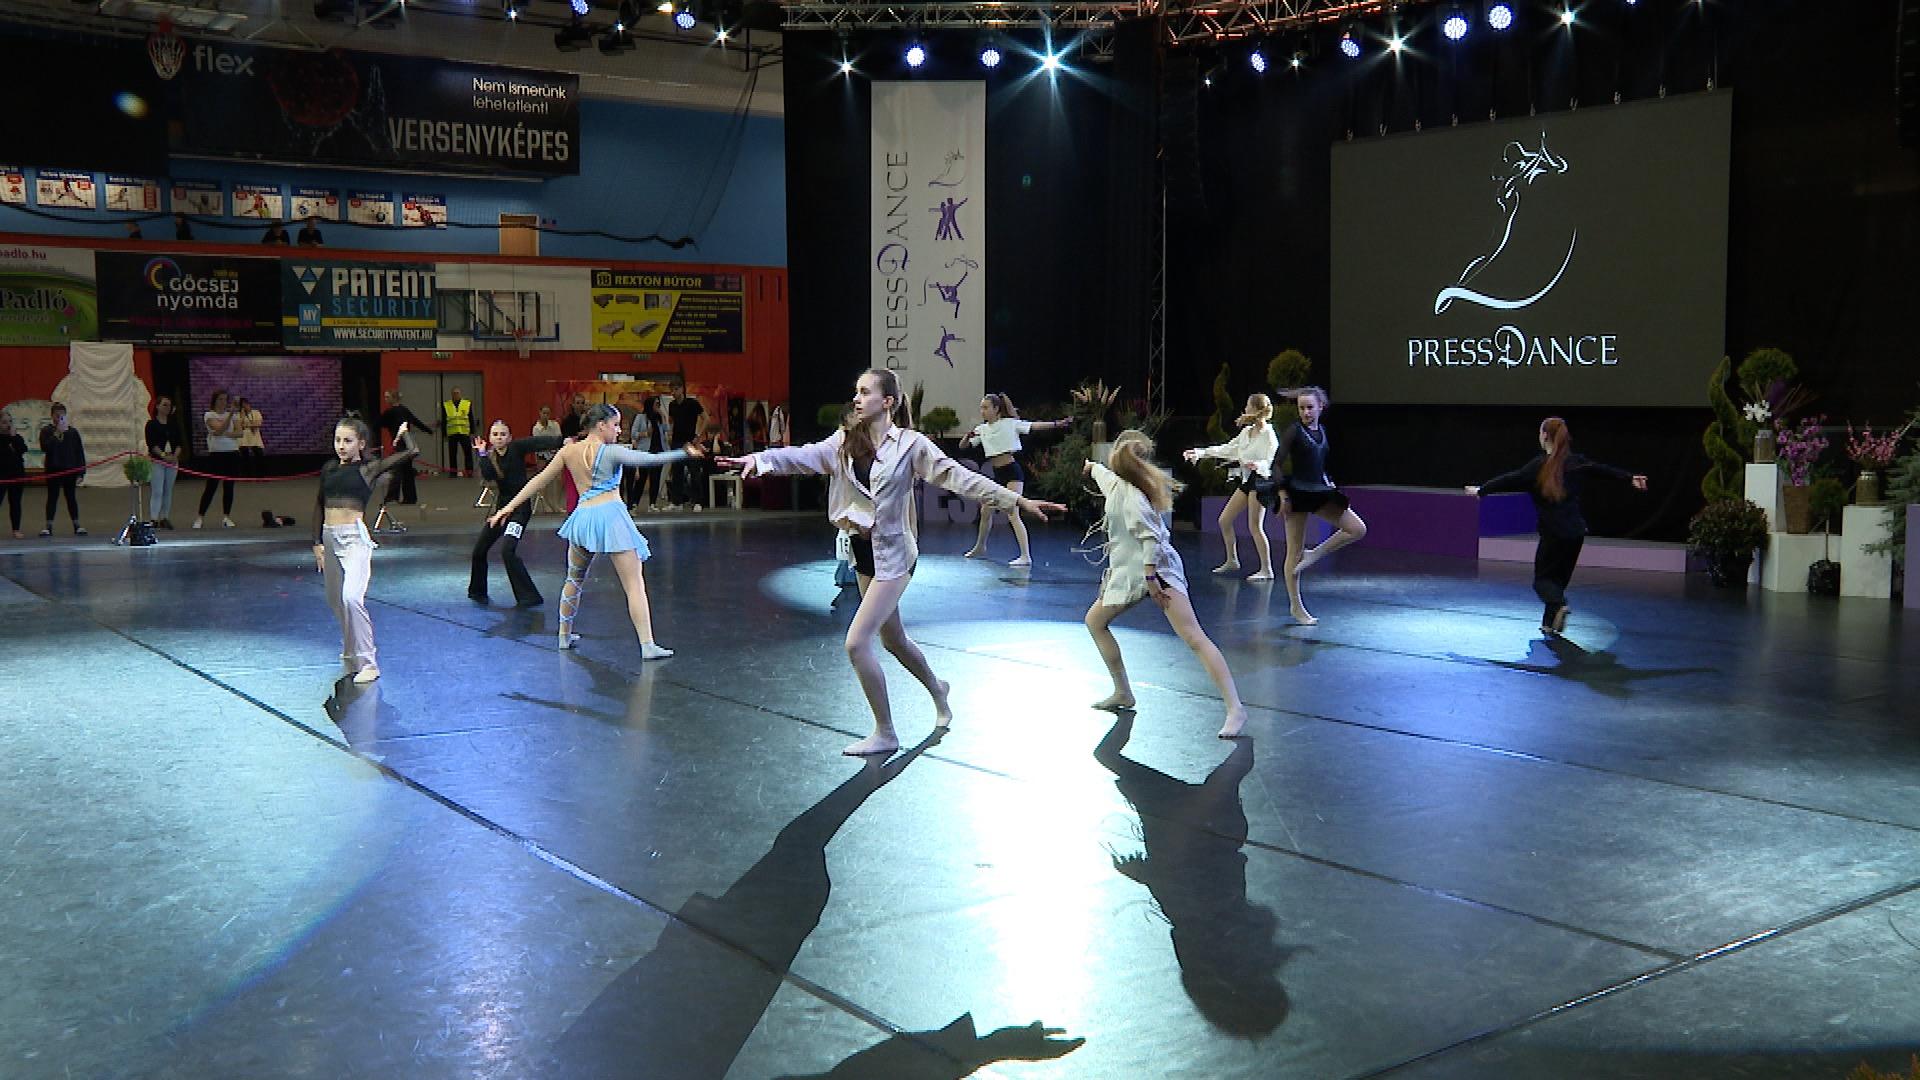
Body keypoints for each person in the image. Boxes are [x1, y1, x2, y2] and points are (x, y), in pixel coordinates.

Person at [721, 368, 1066, 756]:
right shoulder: (844, 442)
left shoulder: (910, 445)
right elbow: (803, 456)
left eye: (865, 392)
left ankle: (885, 732)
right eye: (856, 392)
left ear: (888, 401)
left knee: (856, 643)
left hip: (895, 555)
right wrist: (759, 459)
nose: (857, 398)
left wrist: (1017, 500)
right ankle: (938, 688)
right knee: (894, 640)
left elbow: (959, 478)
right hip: (863, 552)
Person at [488, 404, 701, 658]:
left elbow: (537, 481)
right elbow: (650, 459)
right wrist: (683, 452)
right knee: (634, 584)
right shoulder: (611, 452)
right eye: (615, 425)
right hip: (611, 518)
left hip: (583, 519)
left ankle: (564, 636)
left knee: (573, 579)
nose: (618, 430)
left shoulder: (569, 451)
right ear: (601, 425)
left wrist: (506, 509)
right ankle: (647, 645)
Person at [1084, 431, 1248, 738]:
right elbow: (1101, 474)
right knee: (1095, 621)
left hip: (1157, 573)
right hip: (1130, 574)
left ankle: (1235, 708)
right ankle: (1123, 692)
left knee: (1194, 637)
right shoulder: (1116, 484)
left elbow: (1152, 540)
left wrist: (1151, 579)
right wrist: (1091, 467)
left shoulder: (1134, 497)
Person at [1466, 417, 1649, 635]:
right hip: (1576, 532)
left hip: (1554, 533)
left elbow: (1510, 479)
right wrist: (1629, 477)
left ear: (1544, 436)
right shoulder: (1576, 462)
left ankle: (1559, 605)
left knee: (1542, 582)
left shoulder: (1538, 466)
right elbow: (1600, 470)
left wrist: (1482, 490)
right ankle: (1549, 623)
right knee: (1557, 581)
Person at [312, 418, 419, 684]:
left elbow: (412, 452)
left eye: (348, 441)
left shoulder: (368, 469)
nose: (341, 446)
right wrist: (317, 543)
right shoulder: (329, 469)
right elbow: (319, 504)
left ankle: (369, 662)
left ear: (361, 444)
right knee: (335, 600)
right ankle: (351, 653)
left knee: (352, 598)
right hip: (329, 537)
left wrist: (403, 433)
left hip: (353, 540)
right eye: (338, 440)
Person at [1271, 386, 1368, 626]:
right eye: (1301, 408)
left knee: (1357, 528)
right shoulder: (1294, 430)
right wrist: (1283, 494)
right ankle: (1296, 606)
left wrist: (1328, 482)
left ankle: (1315, 553)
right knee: (1294, 552)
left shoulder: (1322, 431)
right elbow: (1277, 464)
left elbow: (1319, 464)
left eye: (1310, 407)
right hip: (1297, 493)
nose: (1305, 412)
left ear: (1320, 407)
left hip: (1319, 490)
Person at [957, 393, 1070, 567]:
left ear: (996, 409)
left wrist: (1056, 424)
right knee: (985, 511)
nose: (982, 411)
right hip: (997, 474)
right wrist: (967, 437)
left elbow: (1034, 426)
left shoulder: (1010, 424)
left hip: (1012, 472)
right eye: (981, 408)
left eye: (986, 407)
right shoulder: (982, 429)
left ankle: (1026, 556)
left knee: (1012, 513)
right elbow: (963, 446)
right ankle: (980, 547)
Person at [1183, 393, 1280, 580]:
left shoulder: (1269, 434)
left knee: (1255, 526)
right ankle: (1232, 560)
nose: (1245, 409)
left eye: (1248, 405)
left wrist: (1258, 465)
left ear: (1255, 409)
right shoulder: (1246, 433)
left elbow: (1272, 459)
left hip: (1261, 481)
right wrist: (1200, 453)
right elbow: (1227, 449)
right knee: (1224, 520)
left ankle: (1267, 569)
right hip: (1247, 481)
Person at [470, 420, 565, 608]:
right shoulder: (490, 456)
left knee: (507, 551)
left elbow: (538, 442)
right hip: (501, 511)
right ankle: (477, 591)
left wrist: (562, 441)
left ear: (509, 437)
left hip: (520, 510)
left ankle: (529, 597)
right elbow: (488, 475)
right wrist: (481, 453)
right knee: (479, 550)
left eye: (503, 434)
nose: (499, 438)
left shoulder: (517, 448)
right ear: (490, 438)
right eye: (495, 434)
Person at [377, 390, 433, 505]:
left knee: (397, 471)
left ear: (393, 398)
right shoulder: (404, 410)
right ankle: (410, 498)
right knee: (407, 471)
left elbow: (379, 423)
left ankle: (392, 497)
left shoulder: (390, 412)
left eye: (387, 397)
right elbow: (416, 421)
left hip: (399, 445)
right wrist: (428, 430)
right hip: (408, 444)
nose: (385, 399)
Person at [194, 390, 240, 529]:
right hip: (216, 455)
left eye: (225, 399)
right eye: (220, 399)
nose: (223, 402)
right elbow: (218, 429)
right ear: (214, 400)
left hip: (232, 453)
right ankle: (200, 517)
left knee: (229, 487)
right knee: (211, 487)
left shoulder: (233, 415)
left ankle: (226, 517)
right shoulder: (209, 415)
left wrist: (226, 433)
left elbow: (239, 432)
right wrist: (229, 418)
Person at [39, 403, 86, 537]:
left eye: (62, 416)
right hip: (53, 470)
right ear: (52, 416)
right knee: (52, 497)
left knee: (71, 498)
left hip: (69, 470)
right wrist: (57, 433)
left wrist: (81, 472)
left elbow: (79, 453)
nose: (59, 418)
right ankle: (49, 526)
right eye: (57, 416)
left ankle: (76, 525)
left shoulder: (73, 433)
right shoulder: (46, 431)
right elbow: (45, 447)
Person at [145, 396, 182, 529]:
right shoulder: (151, 424)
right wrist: (163, 455)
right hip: (158, 461)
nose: (168, 407)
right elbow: (152, 444)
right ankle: (154, 518)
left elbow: (179, 443)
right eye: (165, 405)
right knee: (157, 490)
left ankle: (164, 517)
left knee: (168, 490)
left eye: (169, 405)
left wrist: (174, 456)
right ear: (157, 406)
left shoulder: (173, 424)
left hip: (172, 462)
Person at [624, 398, 668, 511]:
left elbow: (665, 430)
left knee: (656, 477)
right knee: (642, 477)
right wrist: (645, 434)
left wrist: (663, 416)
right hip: (645, 450)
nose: (657, 406)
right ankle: (635, 502)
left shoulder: (658, 418)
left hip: (658, 449)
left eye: (658, 404)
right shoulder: (641, 417)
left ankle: (652, 503)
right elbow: (633, 433)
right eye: (656, 404)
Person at [667, 388, 706, 510]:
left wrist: (698, 436)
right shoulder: (672, 405)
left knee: (694, 472)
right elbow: (671, 421)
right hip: (676, 441)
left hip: (690, 441)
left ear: (681, 390)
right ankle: (677, 502)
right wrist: (669, 434)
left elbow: (705, 418)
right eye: (672, 390)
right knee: (677, 472)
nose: (673, 393)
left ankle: (698, 501)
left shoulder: (692, 403)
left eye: (675, 389)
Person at [1, 411, 28, 539]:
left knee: (15, 502)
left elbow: (23, 449)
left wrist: (13, 437)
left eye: (10, 421)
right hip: (1, 475)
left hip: (17, 474)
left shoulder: (17, 437)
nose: (8, 425)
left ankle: (16, 529)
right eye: (4, 422)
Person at [442, 388, 474, 477]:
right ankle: (453, 472)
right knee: (452, 454)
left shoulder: (466, 404)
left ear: (460, 394)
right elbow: (444, 420)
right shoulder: (447, 405)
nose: (456, 395)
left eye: (457, 393)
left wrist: (472, 432)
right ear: (451, 394)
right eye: (454, 393)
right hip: (452, 433)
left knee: (467, 452)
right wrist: (444, 433)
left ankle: (469, 471)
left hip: (464, 432)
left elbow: (471, 418)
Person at [234, 395, 265, 479]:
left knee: (258, 454)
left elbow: (259, 423)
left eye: (246, 404)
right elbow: (238, 426)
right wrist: (243, 416)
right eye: (242, 406)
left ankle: (260, 475)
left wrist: (248, 425)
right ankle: (246, 475)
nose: (245, 407)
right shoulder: (238, 415)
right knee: (245, 456)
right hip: (244, 438)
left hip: (254, 437)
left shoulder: (256, 412)